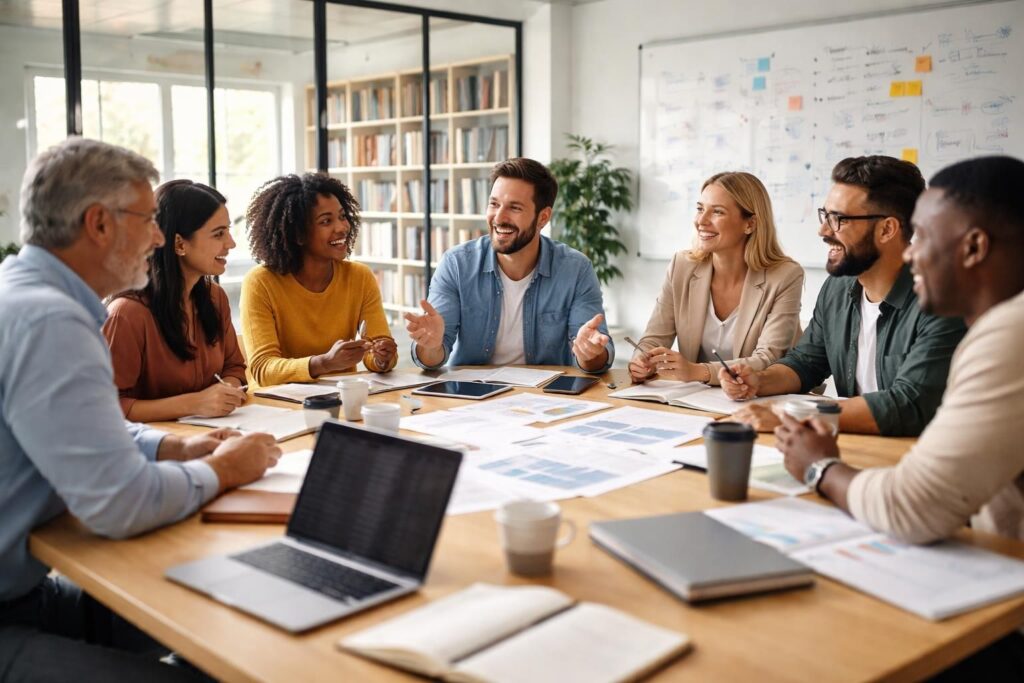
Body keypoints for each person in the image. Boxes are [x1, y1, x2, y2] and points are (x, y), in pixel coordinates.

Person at [0, 137, 280, 679]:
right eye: (148, 219)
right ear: (99, 224)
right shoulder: (52, 322)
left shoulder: (24, 294)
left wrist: (171, 446)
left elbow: (81, 430)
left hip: (26, 594)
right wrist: (223, 470)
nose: (156, 237)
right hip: (8, 614)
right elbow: (119, 504)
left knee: (218, 613)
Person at [774, 155, 1024, 679]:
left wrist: (820, 467)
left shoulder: (1010, 334)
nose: (910, 254)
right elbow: (808, 359)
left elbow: (913, 506)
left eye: (923, 237)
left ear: (974, 247)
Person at [720, 156, 966, 436]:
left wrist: (790, 417)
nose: (824, 230)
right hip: (854, 443)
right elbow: (806, 362)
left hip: (918, 450)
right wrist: (759, 380)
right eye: (825, 215)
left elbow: (909, 403)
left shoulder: (943, 300)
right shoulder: (837, 288)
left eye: (839, 219)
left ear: (887, 229)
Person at [404, 157, 614, 372]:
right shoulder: (456, 264)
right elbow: (433, 358)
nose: (499, 217)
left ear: (543, 217)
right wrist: (431, 345)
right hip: (470, 390)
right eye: (494, 204)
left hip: (547, 390)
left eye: (514, 207)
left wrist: (589, 352)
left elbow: (595, 358)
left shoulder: (576, 269)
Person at [629, 171, 803, 385]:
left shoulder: (785, 276)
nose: (701, 221)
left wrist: (698, 372)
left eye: (717, 212)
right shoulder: (681, 266)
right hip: (697, 397)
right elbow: (654, 338)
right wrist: (641, 360)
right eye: (700, 209)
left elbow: (768, 358)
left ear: (750, 224)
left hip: (764, 395)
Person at [103, 180, 248, 421]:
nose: (231, 243)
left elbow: (234, 368)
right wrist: (194, 404)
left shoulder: (216, 297)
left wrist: (227, 392)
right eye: (218, 234)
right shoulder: (126, 314)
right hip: (155, 442)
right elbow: (107, 407)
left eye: (228, 230)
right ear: (180, 243)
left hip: (216, 432)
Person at [241, 173, 398, 387]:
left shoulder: (360, 277)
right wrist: (323, 363)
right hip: (277, 402)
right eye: (326, 221)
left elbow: (376, 353)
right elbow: (263, 369)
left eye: (342, 216)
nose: (342, 227)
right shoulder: (260, 282)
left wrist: (382, 357)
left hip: (341, 396)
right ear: (298, 234)